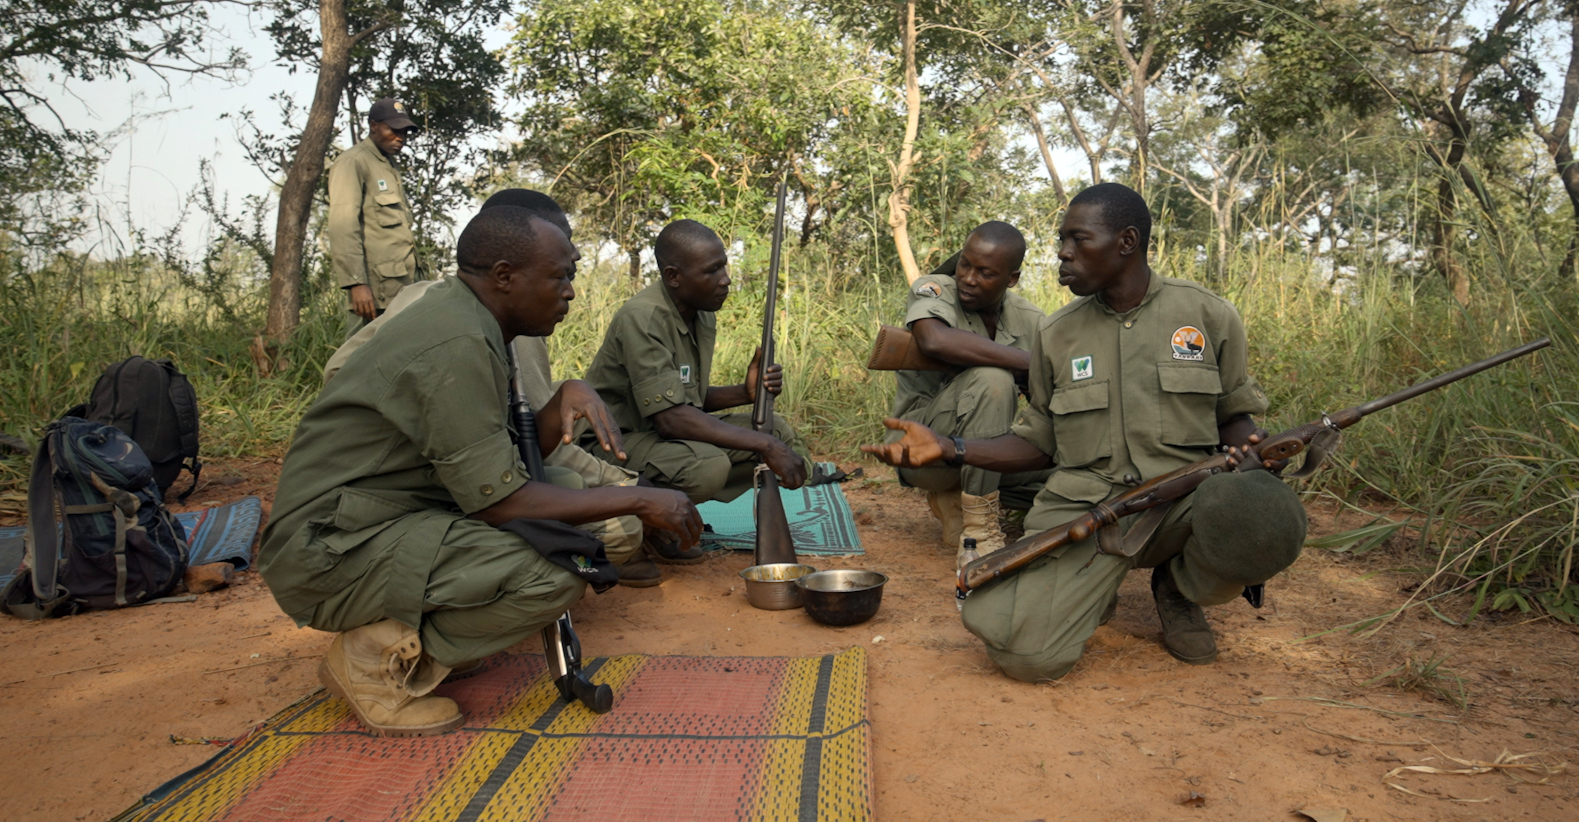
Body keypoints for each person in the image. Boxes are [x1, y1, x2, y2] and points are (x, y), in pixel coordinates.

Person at [259, 206, 702, 737]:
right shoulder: (456, 341)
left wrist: (565, 395)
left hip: (386, 518)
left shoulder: (473, 320)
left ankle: (423, 633)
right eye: (559, 277)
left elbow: (503, 463)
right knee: (560, 570)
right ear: (504, 276)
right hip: (330, 550)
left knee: (583, 522)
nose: (569, 292)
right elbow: (503, 501)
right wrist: (641, 499)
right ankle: (372, 660)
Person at [862, 183, 1306, 682]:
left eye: (1078, 239)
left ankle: (1179, 590)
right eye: (1061, 240)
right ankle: (1093, 586)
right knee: (1026, 656)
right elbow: (1036, 443)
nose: (1062, 252)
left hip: (1181, 502)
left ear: (1126, 242)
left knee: (1261, 509)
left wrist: (1254, 448)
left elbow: (1235, 414)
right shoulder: (1056, 334)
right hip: (1089, 512)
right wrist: (952, 447)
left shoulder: (1208, 315)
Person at [322, 189, 666, 588]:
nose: (571, 277)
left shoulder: (431, 297)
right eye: (561, 264)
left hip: (387, 475)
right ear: (509, 269)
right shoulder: (486, 329)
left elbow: (337, 372)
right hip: (399, 495)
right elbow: (519, 464)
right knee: (605, 534)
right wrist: (626, 487)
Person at [581, 219, 811, 513]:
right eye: (712, 271)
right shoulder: (643, 317)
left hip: (655, 434)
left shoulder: (700, 313)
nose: (726, 279)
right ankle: (644, 518)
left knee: (777, 431)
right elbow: (671, 420)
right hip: (613, 442)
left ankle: (672, 510)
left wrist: (744, 393)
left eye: (724, 266)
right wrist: (765, 446)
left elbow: (686, 400)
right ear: (673, 276)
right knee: (708, 466)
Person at [887, 221, 1052, 566]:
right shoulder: (934, 289)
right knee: (993, 379)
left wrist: (1038, 382)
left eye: (985, 273)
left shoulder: (1032, 320)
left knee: (1071, 463)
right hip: (921, 448)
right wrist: (1029, 364)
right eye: (965, 264)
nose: (968, 278)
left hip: (979, 453)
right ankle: (979, 532)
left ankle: (957, 500)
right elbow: (935, 340)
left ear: (1012, 279)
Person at [327, 97, 421, 337]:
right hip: (373, 290)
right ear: (373, 126)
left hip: (400, 285)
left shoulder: (388, 164)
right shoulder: (353, 161)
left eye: (404, 132)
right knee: (358, 354)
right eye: (394, 130)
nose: (400, 137)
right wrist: (356, 283)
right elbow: (343, 226)